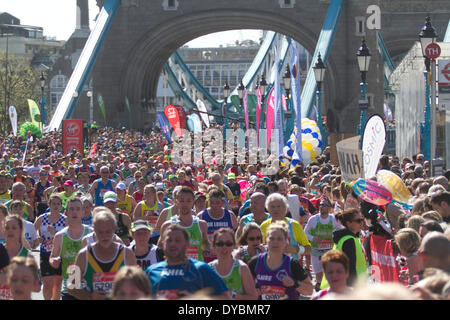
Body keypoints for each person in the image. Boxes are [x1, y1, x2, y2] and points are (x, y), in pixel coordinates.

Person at [68, 208, 136, 300]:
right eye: (100, 232)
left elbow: (137, 286)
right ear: (94, 230)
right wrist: (90, 296)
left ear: (114, 228)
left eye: (108, 231)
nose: (104, 236)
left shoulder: (127, 254)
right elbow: (71, 287)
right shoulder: (84, 255)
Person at [146, 224, 229, 299]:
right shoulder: (151, 271)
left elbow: (226, 297)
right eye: (169, 240)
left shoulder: (201, 269)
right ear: (163, 244)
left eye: (177, 240)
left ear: (187, 244)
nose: (173, 244)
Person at [248, 221, 313, 300]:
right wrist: (253, 291)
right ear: (266, 240)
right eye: (271, 238)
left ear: (286, 241)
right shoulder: (255, 262)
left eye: (279, 239)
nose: (275, 242)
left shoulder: (292, 264)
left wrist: (294, 283)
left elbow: (310, 290)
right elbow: (244, 289)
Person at [49, 197, 92, 300]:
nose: (74, 212)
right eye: (71, 209)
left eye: (78, 209)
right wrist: (53, 261)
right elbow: (52, 257)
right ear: (66, 212)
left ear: (82, 212)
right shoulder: (60, 236)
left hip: (88, 286)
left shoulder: (91, 233)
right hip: (69, 286)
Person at [158, 187, 209, 262]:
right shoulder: (167, 225)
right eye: (182, 201)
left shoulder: (202, 225)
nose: (185, 204)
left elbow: (205, 244)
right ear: (176, 201)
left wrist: (207, 249)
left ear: (193, 202)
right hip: (175, 269)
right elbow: (160, 248)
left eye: (188, 201)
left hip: (195, 269)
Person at [321, 208, 368, 288]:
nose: (361, 223)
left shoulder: (350, 238)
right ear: (348, 223)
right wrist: (352, 289)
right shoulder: (349, 240)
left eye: (362, 220)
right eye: (358, 221)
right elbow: (349, 267)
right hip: (349, 286)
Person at [208, 228, 258, 300]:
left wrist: (233, 296)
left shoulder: (242, 268)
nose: (224, 247)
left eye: (228, 244)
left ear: (234, 246)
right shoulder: (209, 269)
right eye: (220, 244)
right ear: (213, 246)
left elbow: (253, 297)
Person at [260, 193, 311, 261]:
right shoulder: (263, 226)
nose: (276, 209)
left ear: (285, 208)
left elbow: (308, 249)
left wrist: (296, 249)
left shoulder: (294, 225)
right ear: (267, 209)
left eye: (279, 206)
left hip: (291, 267)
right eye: (272, 206)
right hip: (269, 267)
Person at [34, 193, 66, 300]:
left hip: (59, 254)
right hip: (45, 253)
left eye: (58, 204)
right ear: (49, 205)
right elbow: (32, 231)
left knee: (57, 285)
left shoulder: (65, 220)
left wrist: (55, 232)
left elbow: (68, 235)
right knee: (47, 284)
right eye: (53, 204)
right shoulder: (42, 218)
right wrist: (38, 238)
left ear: (61, 206)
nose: (56, 206)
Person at [304, 197, 341, 291]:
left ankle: (328, 291)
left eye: (324, 205)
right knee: (319, 275)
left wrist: (335, 236)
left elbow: (341, 229)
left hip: (330, 250)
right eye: (320, 204)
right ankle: (319, 290)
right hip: (316, 251)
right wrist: (312, 238)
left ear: (329, 208)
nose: (321, 206)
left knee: (329, 272)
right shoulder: (313, 219)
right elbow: (305, 233)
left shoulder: (333, 219)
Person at [0, 215, 35, 300]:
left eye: (14, 228)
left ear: (20, 230)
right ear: (3, 230)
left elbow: (35, 286)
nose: (10, 231)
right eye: (7, 228)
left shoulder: (27, 256)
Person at [198, 189, 238, 262]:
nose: (214, 205)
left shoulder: (230, 215)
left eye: (217, 202)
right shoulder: (201, 216)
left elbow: (236, 237)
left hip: (226, 256)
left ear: (223, 202)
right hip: (207, 257)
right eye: (212, 202)